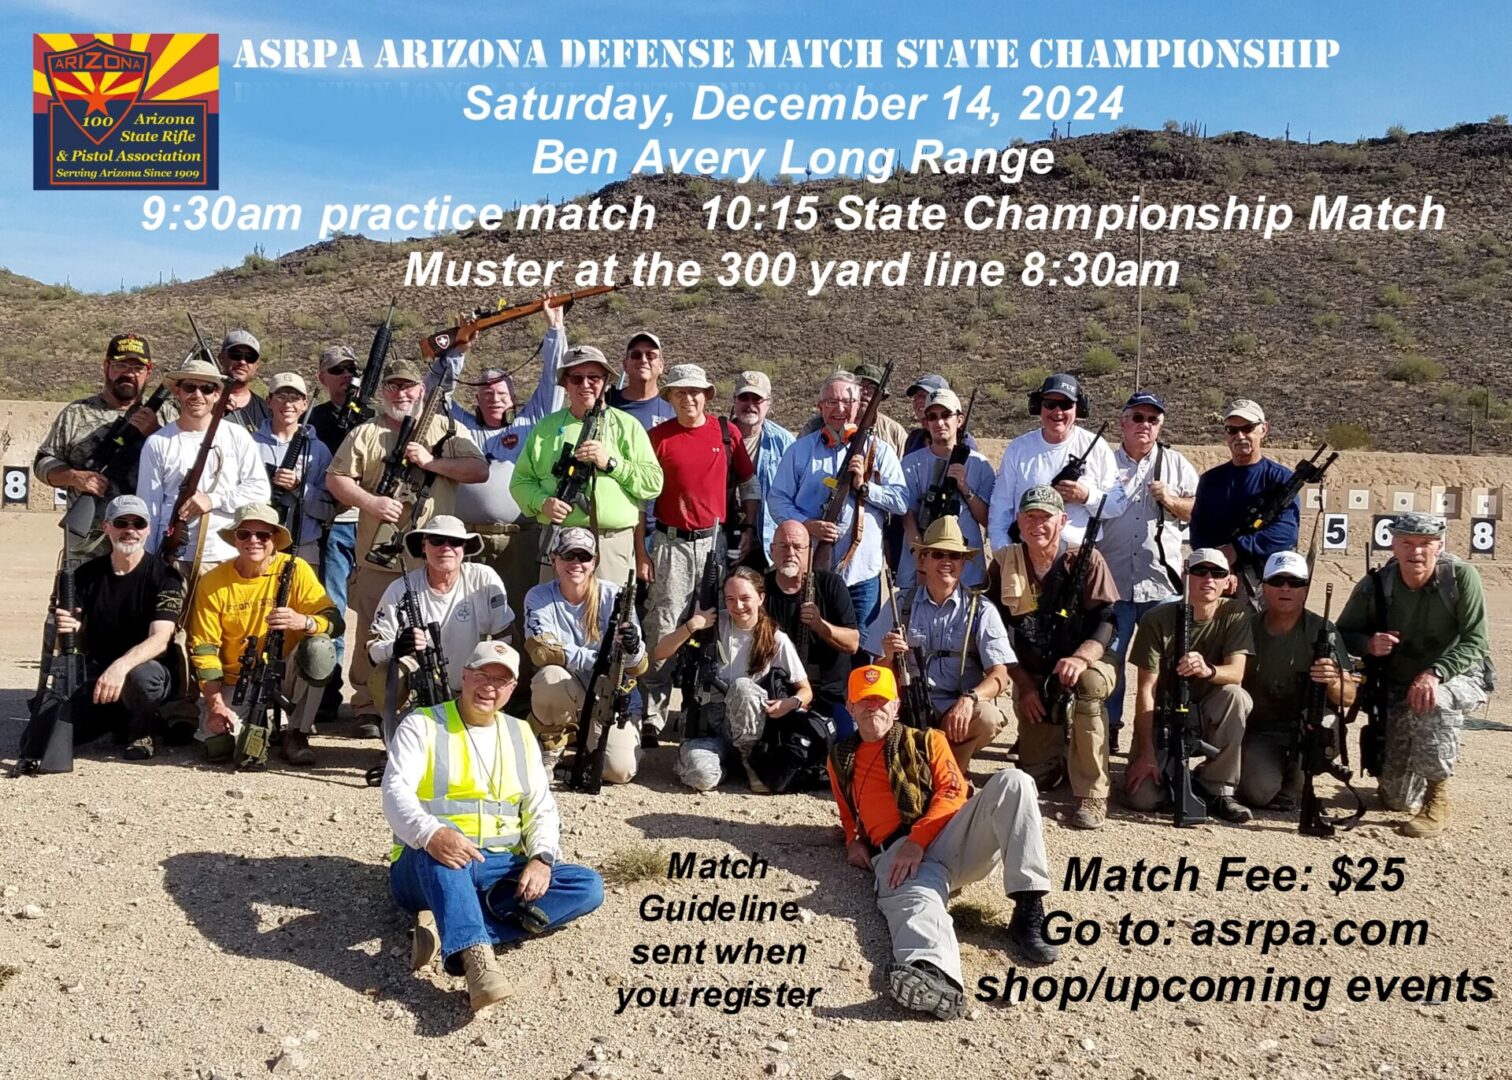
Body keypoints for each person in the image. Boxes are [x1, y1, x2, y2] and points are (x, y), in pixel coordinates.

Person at [384, 639, 605, 1013]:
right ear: (464, 676)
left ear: (512, 689)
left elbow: (539, 806)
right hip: (426, 864)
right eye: (482, 675)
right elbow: (394, 792)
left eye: (500, 681)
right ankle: (477, 964)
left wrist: (542, 858)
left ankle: (449, 927)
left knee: (587, 887)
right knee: (444, 857)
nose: (489, 686)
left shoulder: (520, 734)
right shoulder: (423, 724)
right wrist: (431, 833)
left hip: (498, 865)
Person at [828, 664, 1056, 1021]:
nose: (873, 708)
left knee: (1015, 782)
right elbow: (847, 809)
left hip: (951, 837)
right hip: (894, 851)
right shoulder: (840, 757)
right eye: (864, 701)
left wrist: (917, 841)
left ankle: (1028, 905)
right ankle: (936, 978)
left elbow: (952, 792)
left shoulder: (927, 740)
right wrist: (852, 841)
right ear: (850, 707)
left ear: (895, 706)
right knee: (917, 904)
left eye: (881, 700)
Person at [327, 358, 488, 737]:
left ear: (422, 391)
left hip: (436, 559)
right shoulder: (365, 433)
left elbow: (478, 470)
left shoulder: (448, 429)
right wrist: (372, 504)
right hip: (379, 556)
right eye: (394, 386)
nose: (401, 393)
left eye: (409, 386)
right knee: (373, 631)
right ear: (384, 392)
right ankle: (368, 706)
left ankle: (442, 698)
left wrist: (433, 463)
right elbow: (336, 479)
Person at [1336, 513, 1493, 837]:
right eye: (1407, 543)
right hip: (1398, 682)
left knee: (1433, 701)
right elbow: (1341, 632)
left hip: (1455, 674)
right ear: (1393, 543)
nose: (1416, 552)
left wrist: (1436, 672)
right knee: (1396, 799)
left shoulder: (1461, 577)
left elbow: (1476, 641)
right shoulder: (1378, 584)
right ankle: (1414, 781)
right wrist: (1368, 643)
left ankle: (1438, 798)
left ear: (1440, 545)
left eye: (1425, 544)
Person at [15, 495, 183, 765]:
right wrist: (67, 628)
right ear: (106, 527)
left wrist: (120, 666)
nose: (130, 530)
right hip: (97, 674)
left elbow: (160, 638)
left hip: (144, 671)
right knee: (37, 741)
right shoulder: (84, 576)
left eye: (138, 523)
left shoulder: (165, 576)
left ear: (148, 529)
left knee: (142, 677)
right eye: (121, 522)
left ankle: (142, 730)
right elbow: (67, 636)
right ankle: (115, 720)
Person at [641, 364, 759, 745]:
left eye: (695, 392)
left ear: (707, 395)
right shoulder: (656, 437)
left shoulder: (726, 435)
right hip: (670, 543)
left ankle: (703, 709)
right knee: (664, 622)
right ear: (670, 397)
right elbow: (640, 493)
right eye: (679, 392)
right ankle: (651, 715)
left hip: (715, 542)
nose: (688, 399)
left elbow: (748, 481)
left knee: (715, 622)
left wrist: (751, 528)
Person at [995, 487, 1120, 829]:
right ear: (1019, 521)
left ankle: (1092, 794)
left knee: (1088, 685)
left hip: (1085, 661)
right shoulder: (1004, 562)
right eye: (1030, 516)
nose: (1038, 524)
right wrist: (1022, 684)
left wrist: (1082, 658)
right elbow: (993, 632)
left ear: (1063, 521)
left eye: (1046, 517)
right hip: (1034, 672)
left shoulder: (1087, 560)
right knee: (1036, 774)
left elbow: (1108, 620)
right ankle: (1060, 757)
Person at [185, 503, 342, 766]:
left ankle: (297, 733)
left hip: (287, 673)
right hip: (239, 680)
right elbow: (204, 649)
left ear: (275, 540)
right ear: (235, 538)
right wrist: (214, 704)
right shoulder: (212, 582)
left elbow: (335, 621)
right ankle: (260, 725)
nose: (253, 541)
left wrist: (303, 621)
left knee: (319, 648)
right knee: (219, 748)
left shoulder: (297, 569)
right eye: (245, 534)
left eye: (263, 535)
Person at [452, 296, 567, 631]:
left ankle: (520, 683)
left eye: (501, 392)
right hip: (471, 539)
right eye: (485, 392)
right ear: (475, 398)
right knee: (467, 614)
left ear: (513, 396)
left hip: (521, 537)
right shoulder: (461, 427)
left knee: (520, 613)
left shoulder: (531, 424)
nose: (494, 397)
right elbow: (436, 396)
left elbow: (551, 381)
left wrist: (555, 331)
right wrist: (459, 349)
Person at [510, 345, 664, 585]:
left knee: (608, 617)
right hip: (559, 541)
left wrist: (611, 463)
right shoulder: (545, 428)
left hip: (611, 543)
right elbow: (520, 482)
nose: (585, 385)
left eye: (594, 378)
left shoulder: (628, 426)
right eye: (576, 378)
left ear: (605, 382)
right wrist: (542, 502)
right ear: (565, 384)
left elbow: (653, 483)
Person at [770, 370, 909, 634]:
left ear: (859, 406)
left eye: (847, 402)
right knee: (808, 643)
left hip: (862, 573)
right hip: (809, 569)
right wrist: (807, 525)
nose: (840, 409)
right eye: (832, 402)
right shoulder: (800, 451)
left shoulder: (879, 451)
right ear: (820, 406)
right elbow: (777, 500)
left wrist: (865, 488)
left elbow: (901, 501)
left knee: (860, 648)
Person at [1122, 549, 1255, 824]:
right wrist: (1146, 752)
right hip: (1166, 717)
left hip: (1209, 711)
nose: (1208, 579)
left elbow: (1236, 673)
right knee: (1143, 799)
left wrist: (1208, 670)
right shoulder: (1156, 620)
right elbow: (1146, 690)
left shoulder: (1236, 614)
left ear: (1227, 580)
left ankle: (1219, 787)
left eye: (1217, 573)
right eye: (1200, 572)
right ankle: (1177, 781)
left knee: (1236, 697)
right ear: (1186, 576)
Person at [653, 566, 813, 792]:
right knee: (701, 777)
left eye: (745, 598)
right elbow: (660, 652)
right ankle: (721, 765)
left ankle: (748, 761)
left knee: (743, 688)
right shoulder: (712, 624)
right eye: (730, 599)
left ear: (761, 598)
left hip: (750, 727)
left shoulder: (776, 638)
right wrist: (692, 625)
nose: (737, 606)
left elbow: (805, 690)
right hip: (707, 724)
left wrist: (790, 703)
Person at [1099, 391, 1199, 750]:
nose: (1145, 425)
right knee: (1109, 662)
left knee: (1162, 666)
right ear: (1123, 422)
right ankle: (1107, 729)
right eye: (1137, 417)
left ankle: (1160, 731)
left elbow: (1198, 511)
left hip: (1161, 587)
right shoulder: (1104, 463)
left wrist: (1171, 500)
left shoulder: (1176, 464)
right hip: (1113, 586)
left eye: (1152, 419)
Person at [882, 518, 1013, 774]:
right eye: (938, 554)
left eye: (954, 555)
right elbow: (875, 671)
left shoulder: (982, 609)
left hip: (955, 713)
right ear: (922, 560)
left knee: (989, 717)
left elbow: (1001, 676)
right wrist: (887, 657)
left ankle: (950, 771)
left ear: (963, 563)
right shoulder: (899, 604)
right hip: (908, 710)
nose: (947, 561)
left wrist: (969, 699)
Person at [522, 528, 649, 782]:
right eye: (569, 555)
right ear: (554, 558)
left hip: (609, 695)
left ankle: (595, 738)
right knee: (549, 676)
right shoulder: (538, 597)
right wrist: (601, 660)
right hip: (570, 688)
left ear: (594, 562)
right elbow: (544, 653)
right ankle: (552, 744)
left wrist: (633, 648)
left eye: (584, 557)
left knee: (618, 771)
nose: (576, 563)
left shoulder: (615, 597)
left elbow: (637, 667)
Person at [368, 516, 514, 734]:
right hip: (422, 686)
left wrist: (486, 675)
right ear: (424, 546)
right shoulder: (398, 589)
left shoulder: (485, 579)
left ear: (464, 548)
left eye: (454, 542)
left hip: (471, 684)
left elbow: (506, 639)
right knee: (384, 676)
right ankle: (396, 734)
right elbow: (372, 648)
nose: (446, 548)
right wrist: (395, 648)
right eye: (437, 540)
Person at [1238, 551, 1356, 811]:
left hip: (1306, 729)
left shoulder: (1323, 631)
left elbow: (1348, 697)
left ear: (1305, 589)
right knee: (1258, 793)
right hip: (1260, 732)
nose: (1286, 588)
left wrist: (1334, 681)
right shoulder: (1248, 629)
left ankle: (1298, 779)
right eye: (1277, 581)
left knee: (1328, 722)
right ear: (1263, 587)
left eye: (1295, 582)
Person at [34, 332, 165, 558]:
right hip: (88, 546)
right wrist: (75, 477)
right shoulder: (77, 414)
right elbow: (43, 464)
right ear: (106, 366)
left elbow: (182, 469)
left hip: (144, 545)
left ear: (148, 371)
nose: (128, 373)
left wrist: (156, 433)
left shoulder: (165, 415)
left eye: (137, 368)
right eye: (120, 365)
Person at [138, 359, 271, 574]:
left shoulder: (238, 436)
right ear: (178, 392)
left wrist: (212, 500)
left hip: (227, 556)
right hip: (173, 559)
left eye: (207, 389)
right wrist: (147, 564)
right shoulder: (157, 442)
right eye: (190, 387)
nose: (198, 395)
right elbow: (149, 508)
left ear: (217, 394)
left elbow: (260, 492)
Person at [987, 372, 1122, 550]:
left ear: (1079, 408)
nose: (1057, 412)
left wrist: (1087, 496)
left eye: (1066, 405)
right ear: (1038, 406)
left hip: (1077, 554)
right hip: (1026, 551)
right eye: (1050, 404)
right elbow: (1000, 508)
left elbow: (1117, 505)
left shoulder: (1097, 448)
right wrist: (1003, 553)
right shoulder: (1018, 449)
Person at [1188, 399, 1299, 597]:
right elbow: (1198, 532)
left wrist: (1237, 549)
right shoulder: (1211, 480)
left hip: (1264, 583)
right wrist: (1218, 566)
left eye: (1247, 428)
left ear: (1264, 429)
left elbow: (1285, 533)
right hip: (1216, 583)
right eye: (1232, 430)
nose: (1239, 436)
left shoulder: (1281, 480)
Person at [306, 344, 364, 722]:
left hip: (372, 522)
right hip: (333, 525)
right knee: (334, 609)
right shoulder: (313, 420)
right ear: (322, 377)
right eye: (338, 370)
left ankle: (369, 698)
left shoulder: (371, 417)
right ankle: (327, 690)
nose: (346, 376)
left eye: (351, 370)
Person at [899, 387, 995, 595]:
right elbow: (907, 516)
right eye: (932, 417)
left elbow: (988, 519)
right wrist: (921, 559)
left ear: (959, 420)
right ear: (925, 422)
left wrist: (965, 489)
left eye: (946, 415)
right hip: (920, 572)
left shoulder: (980, 465)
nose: (939, 422)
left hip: (969, 575)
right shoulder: (910, 464)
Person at [764, 520, 860, 724]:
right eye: (783, 546)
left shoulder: (830, 584)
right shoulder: (760, 591)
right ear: (772, 551)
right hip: (778, 693)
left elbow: (853, 643)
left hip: (829, 695)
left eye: (798, 547)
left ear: (810, 551)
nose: (791, 552)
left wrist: (821, 625)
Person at [253, 372, 333, 566]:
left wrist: (298, 487)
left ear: (305, 404)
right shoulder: (249, 444)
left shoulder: (319, 450)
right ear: (269, 401)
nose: (287, 404)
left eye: (295, 398)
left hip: (303, 547)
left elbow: (328, 509)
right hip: (256, 545)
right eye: (281, 397)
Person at [729, 370, 795, 569]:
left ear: (768, 403)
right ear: (734, 400)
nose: (749, 405)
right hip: (725, 535)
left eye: (757, 399)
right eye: (743, 398)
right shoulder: (717, 437)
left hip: (768, 542)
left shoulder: (785, 442)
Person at [801, 362, 909, 460]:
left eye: (872, 388)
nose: (864, 391)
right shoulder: (814, 426)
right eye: (860, 386)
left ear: (881, 396)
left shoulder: (894, 432)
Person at [216, 329, 273, 432]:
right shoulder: (202, 401)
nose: (242, 361)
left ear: (257, 365)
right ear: (221, 358)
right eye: (236, 355)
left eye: (250, 357)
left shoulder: (267, 411)